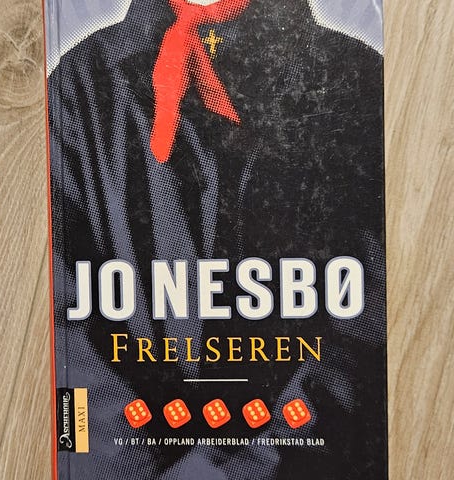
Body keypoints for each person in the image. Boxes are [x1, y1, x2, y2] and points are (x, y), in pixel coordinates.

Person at [47, 0, 387, 478]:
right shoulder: (80, 88)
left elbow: (378, 317)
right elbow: (63, 333)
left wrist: (243, 466)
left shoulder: (358, 80)